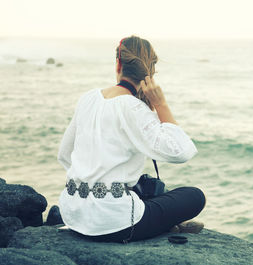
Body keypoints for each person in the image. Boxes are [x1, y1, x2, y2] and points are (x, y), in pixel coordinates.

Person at [57, 35, 205, 243]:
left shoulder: (88, 98)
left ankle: (161, 221)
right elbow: (182, 152)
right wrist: (161, 105)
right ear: (150, 70)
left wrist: (90, 181)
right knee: (194, 196)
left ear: (118, 63)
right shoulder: (133, 107)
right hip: (115, 223)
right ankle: (166, 225)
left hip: (73, 214)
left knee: (139, 185)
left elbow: (64, 154)